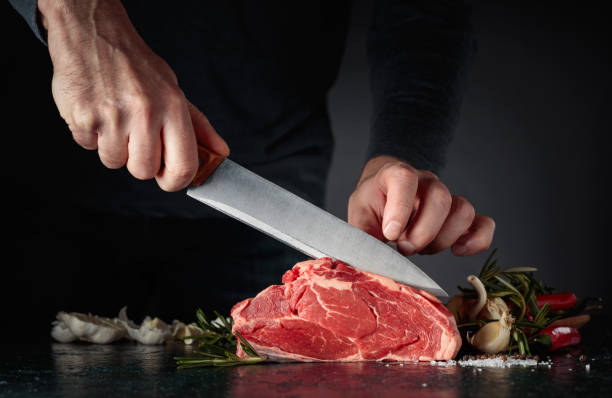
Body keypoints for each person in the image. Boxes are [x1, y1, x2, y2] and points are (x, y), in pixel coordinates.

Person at [8, 0, 494, 325]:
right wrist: (78, 14)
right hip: (32, 186)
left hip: (266, 213)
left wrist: (403, 152)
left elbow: (425, 13)